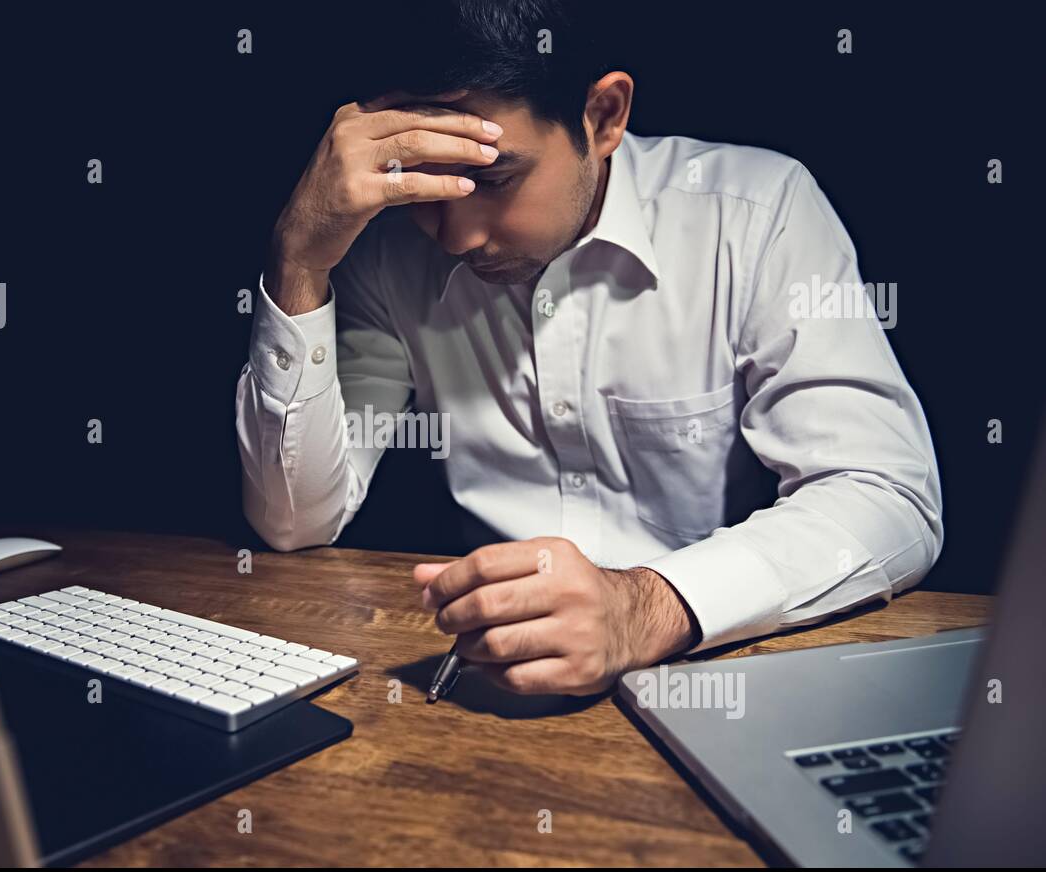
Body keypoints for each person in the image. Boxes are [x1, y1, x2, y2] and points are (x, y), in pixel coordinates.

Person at [235, 0, 941, 696]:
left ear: (603, 117)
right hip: (484, 693)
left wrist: (643, 608)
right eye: (411, 176)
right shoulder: (388, 253)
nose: (452, 235)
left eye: (490, 177)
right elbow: (295, 521)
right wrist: (299, 262)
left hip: (728, 685)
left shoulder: (759, 217)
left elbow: (888, 496)